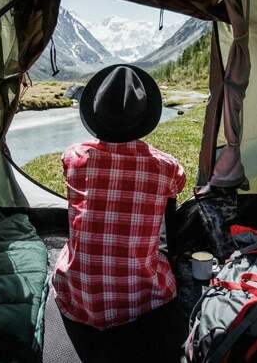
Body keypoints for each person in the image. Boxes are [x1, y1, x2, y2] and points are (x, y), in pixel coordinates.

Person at [52, 64, 186, 330]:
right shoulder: (167, 167)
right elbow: (176, 191)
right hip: (142, 299)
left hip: (80, 298)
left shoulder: (73, 157)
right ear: (143, 116)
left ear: (96, 113)